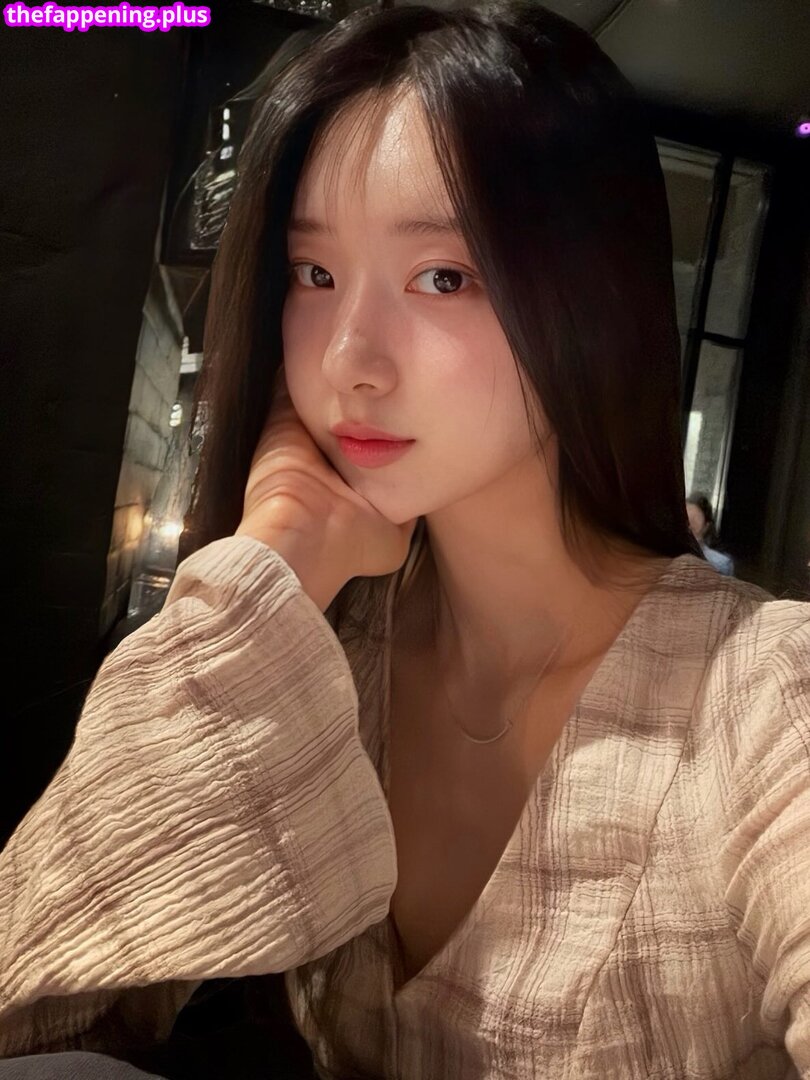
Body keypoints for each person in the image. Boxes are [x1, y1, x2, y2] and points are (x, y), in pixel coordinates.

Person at [1, 2, 809, 1078]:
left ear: (591, 296)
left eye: (443, 277)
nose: (349, 359)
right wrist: (280, 553)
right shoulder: (328, 647)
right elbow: (37, 1017)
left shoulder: (762, 695)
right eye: (315, 274)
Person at [687, 492, 735, 576]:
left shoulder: (721, 564)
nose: (689, 525)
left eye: (695, 519)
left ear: (706, 526)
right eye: (686, 517)